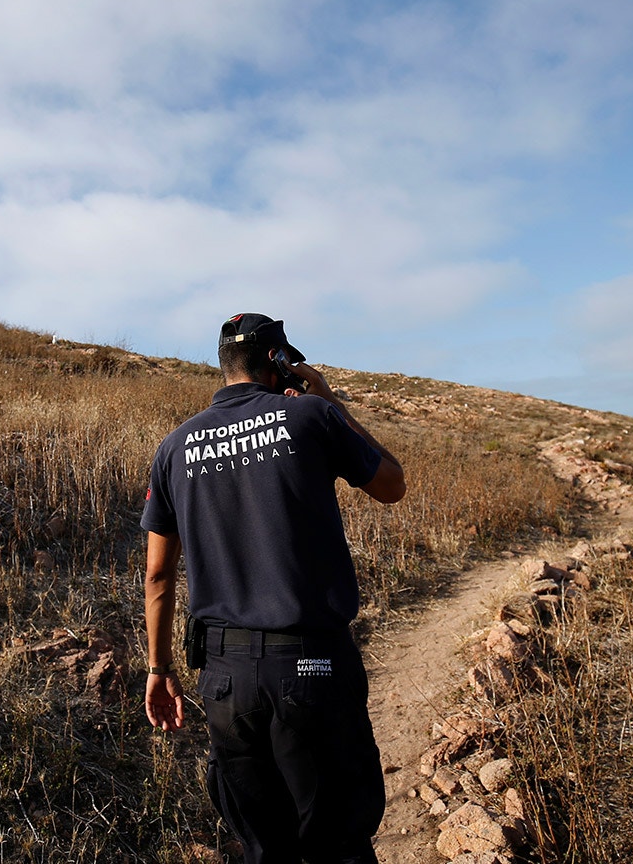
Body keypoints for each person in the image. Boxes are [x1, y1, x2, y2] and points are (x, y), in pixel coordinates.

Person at [141, 313, 406, 863]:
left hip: (223, 680)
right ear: (279, 361)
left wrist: (159, 669)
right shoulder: (310, 416)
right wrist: (331, 401)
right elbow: (392, 484)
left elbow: (158, 576)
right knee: (337, 846)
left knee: (265, 849)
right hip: (311, 668)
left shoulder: (174, 448)